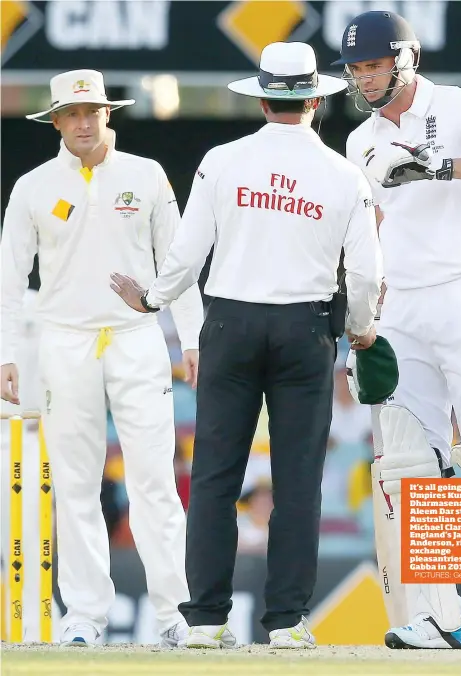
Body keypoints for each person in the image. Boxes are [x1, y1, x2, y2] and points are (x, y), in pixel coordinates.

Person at [111, 41, 383, 649]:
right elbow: (364, 274)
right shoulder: (344, 174)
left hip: (229, 322)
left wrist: (153, 298)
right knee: (297, 480)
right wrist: (361, 327)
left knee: (214, 476)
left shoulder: (222, 161)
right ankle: (285, 622)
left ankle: (206, 619)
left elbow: (186, 252)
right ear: (316, 98)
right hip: (306, 328)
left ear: (262, 99)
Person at [0, 69, 204, 647]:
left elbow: (179, 263)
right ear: (56, 120)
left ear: (107, 113)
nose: (83, 123)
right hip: (63, 340)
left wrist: (191, 338)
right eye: (72, 114)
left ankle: (173, 613)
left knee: (154, 479)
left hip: (137, 338)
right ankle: (85, 615)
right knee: (76, 480)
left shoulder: (146, 175)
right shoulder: (33, 187)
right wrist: (7, 352)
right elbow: (10, 279)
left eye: (92, 112)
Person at [334, 10, 461, 649]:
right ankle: (443, 615)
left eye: (374, 64)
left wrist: (441, 168)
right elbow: (368, 230)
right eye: (356, 68)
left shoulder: (460, 104)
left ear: (404, 59)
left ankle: (457, 603)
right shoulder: (359, 141)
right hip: (399, 305)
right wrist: (361, 311)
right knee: (410, 462)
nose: (364, 78)